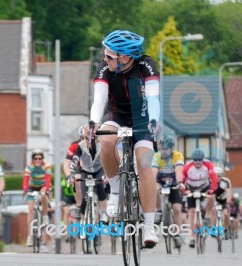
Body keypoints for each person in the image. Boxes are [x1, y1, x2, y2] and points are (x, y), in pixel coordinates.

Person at [87, 30, 161, 248]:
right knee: (107, 141)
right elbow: (99, 99)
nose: (104, 59)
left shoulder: (146, 65)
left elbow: (153, 98)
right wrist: (93, 122)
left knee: (145, 165)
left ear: (125, 57)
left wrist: (154, 121)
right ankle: (116, 190)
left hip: (143, 117)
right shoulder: (105, 69)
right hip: (117, 114)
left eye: (109, 56)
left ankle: (148, 227)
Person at [69, 127, 109, 227]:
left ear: (96, 139)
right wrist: (72, 174)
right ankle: (83, 222)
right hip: (86, 171)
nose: (89, 142)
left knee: (100, 185)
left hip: (99, 169)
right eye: (87, 139)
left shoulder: (101, 146)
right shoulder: (80, 146)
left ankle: (103, 212)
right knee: (84, 198)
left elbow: (108, 161)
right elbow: (74, 160)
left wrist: (107, 176)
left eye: (92, 139)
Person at [151, 135, 184, 248]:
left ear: (171, 148)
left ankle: (177, 234)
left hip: (174, 182)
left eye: (166, 149)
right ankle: (159, 211)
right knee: (154, 187)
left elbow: (179, 171)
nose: (163, 151)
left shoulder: (177, 156)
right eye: (161, 149)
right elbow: (154, 172)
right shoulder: (156, 156)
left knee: (177, 209)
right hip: (160, 180)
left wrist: (179, 183)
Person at [182, 148, 217, 248]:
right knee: (191, 212)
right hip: (191, 189)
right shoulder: (187, 167)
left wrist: (213, 189)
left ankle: (206, 216)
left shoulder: (208, 165)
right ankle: (192, 237)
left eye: (199, 160)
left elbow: (213, 178)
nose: (197, 162)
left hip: (204, 188)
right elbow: (182, 181)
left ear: (203, 159)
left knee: (211, 196)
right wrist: (184, 191)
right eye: (195, 160)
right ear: (193, 160)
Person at [23, 149, 51, 251]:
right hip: (32, 187)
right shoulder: (29, 166)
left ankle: (44, 216)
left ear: (42, 159)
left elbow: (48, 180)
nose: (38, 160)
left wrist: (46, 189)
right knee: (30, 209)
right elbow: (26, 180)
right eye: (35, 158)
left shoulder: (46, 166)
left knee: (43, 195)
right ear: (33, 159)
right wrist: (25, 189)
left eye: (40, 158)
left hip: (43, 186)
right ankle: (30, 235)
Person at [62, 125, 84, 221]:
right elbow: (67, 164)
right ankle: (79, 206)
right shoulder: (75, 146)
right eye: (82, 138)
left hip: (95, 169)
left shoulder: (97, 144)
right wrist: (68, 175)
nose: (84, 140)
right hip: (80, 169)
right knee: (76, 180)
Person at [210, 167, 232, 239]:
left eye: (219, 175)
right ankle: (213, 228)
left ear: (221, 176)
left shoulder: (226, 181)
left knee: (226, 213)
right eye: (215, 175)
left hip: (224, 200)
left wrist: (228, 203)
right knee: (213, 210)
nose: (217, 177)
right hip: (215, 199)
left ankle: (226, 230)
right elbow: (210, 194)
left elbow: (229, 193)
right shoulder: (211, 181)